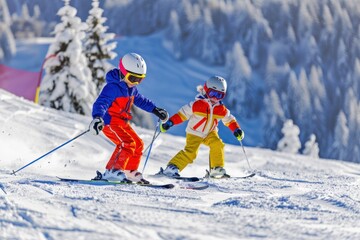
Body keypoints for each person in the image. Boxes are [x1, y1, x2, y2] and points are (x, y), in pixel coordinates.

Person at [89, 53, 168, 183]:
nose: (136, 83)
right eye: (133, 78)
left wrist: (155, 109)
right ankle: (112, 170)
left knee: (138, 144)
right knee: (126, 143)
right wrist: (97, 117)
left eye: (140, 79)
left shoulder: (131, 89)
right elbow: (101, 102)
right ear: (123, 72)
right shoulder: (112, 87)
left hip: (122, 122)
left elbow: (141, 101)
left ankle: (129, 171)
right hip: (109, 122)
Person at [159, 76, 244, 178]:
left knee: (217, 144)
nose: (215, 98)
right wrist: (170, 122)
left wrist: (236, 129)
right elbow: (182, 114)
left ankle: (216, 169)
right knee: (191, 153)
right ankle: (172, 168)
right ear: (206, 90)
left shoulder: (221, 109)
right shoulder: (197, 105)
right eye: (213, 93)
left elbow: (229, 120)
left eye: (220, 95)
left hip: (210, 132)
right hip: (194, 132)